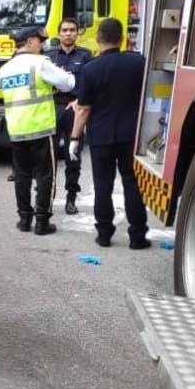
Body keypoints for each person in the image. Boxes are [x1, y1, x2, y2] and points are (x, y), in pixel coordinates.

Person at [69, 18, 150, 249]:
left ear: (97, 39)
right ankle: (137, 236)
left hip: (101, 136)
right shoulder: (138, 62)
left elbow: (83, 108)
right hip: (131, 135)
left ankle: (104, 234)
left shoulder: (90, 68)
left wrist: (75, 138)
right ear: (123, 38)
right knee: (132, 183)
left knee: (102, 184)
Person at [0, 25, 75, 235]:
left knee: (21, 176)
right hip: (40, 128)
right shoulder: (40, 63)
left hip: (17, 129)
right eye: (40, 42)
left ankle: (24, 219)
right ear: (30, 41)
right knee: (45, 175)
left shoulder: (4, 70)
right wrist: (64, 76)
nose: (41, 46)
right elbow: (68, 83)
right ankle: (42, 222)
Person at [44, 18, 93, 214]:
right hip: (52, 107)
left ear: (78, 33)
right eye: (64, 30)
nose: (68, 33)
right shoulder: (47, 56)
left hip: (75, 109)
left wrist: (79, 99)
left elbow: (90, 83)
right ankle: (46, 198)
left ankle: (71, 197)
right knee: (49, 156)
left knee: (73, 155)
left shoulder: (85, 55)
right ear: (58, 34)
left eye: (72, 30)